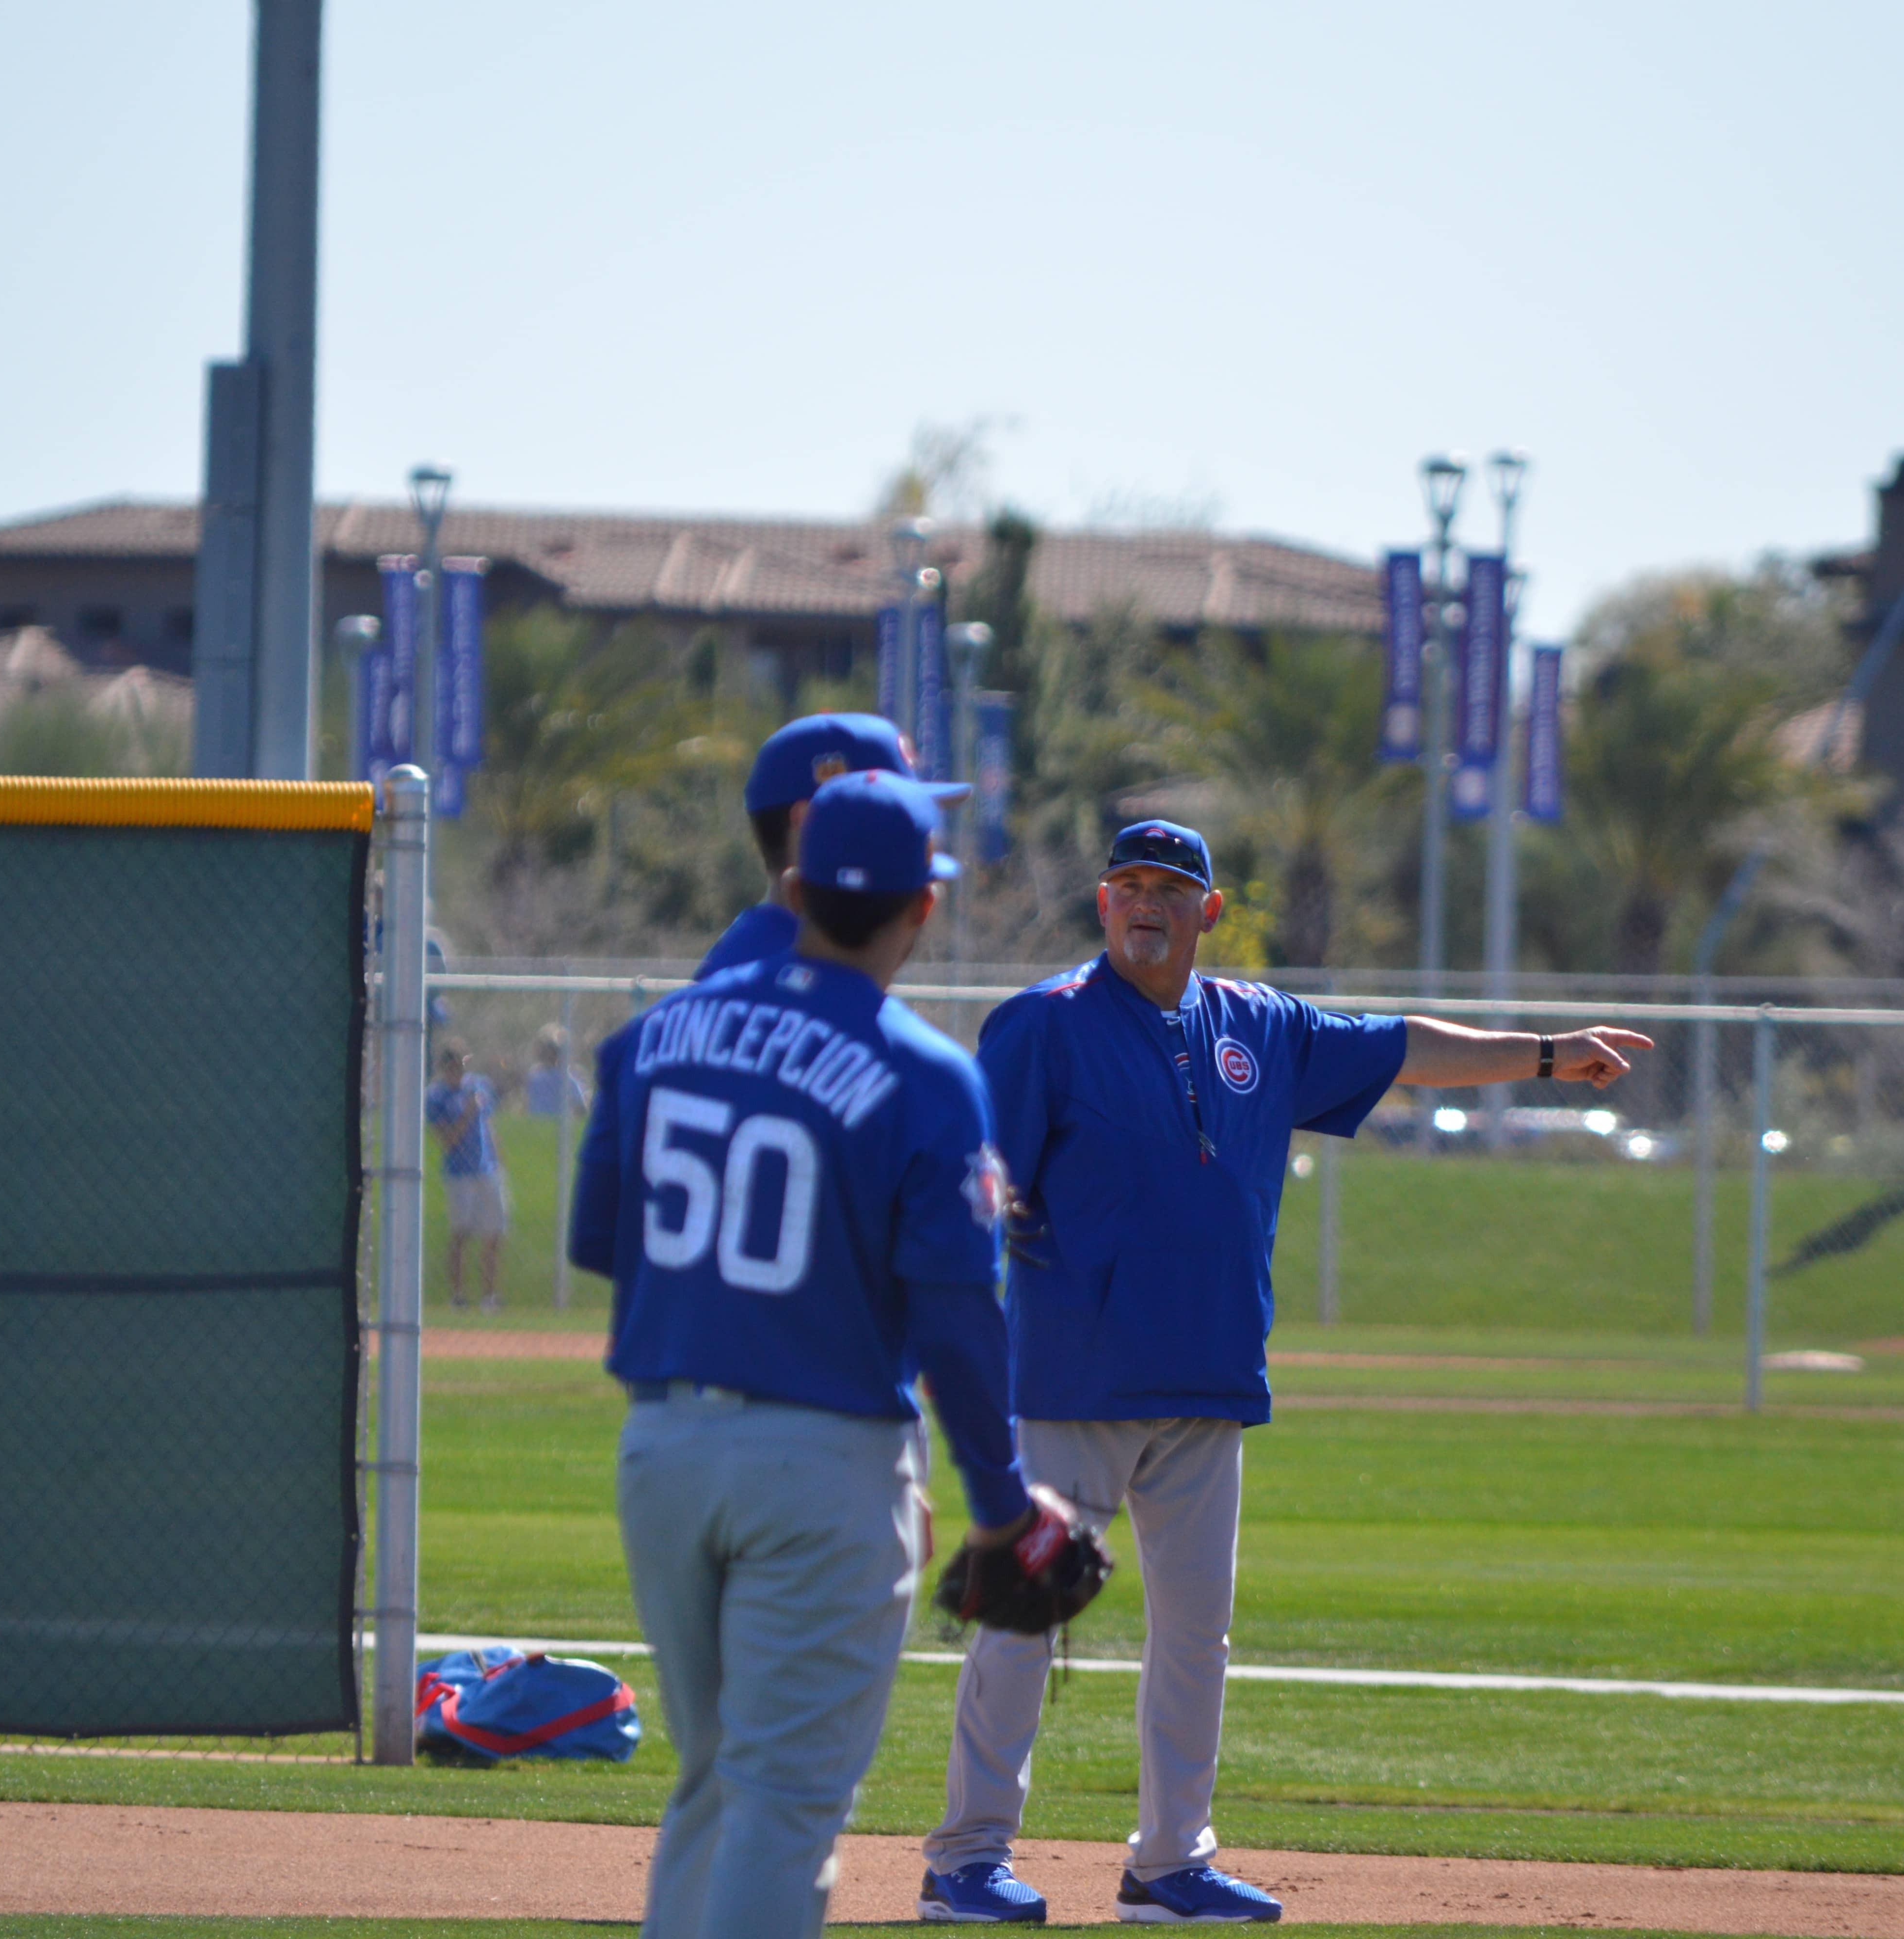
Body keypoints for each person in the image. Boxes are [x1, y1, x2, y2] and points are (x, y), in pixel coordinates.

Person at [918, 818, 1651, 1925]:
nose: (1146, 902)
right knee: (1027, 1615)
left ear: (1208, 911)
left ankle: (1169, 1861)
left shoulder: (1259, 1024)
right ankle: (966, 1857)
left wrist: (1546, 1054)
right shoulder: (1044, 1022)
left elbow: (1400, 1046)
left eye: (1171, 887)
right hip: (1073, 1378)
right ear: (1102, 901)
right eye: (1128, 885)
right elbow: (982, 1189)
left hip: (1209, 1375)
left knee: (1195, 1636)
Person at [572, 769, 1063, 1939]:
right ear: (923, 906)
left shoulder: (654, 1035)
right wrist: (1002, 1504)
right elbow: (955, 1316)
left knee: (715, 1777)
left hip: (662, 1449)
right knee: (785, 1803)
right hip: (821, 1461)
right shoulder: (926, 1073)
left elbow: (597, 1237)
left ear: (792, 889)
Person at [704, 712, 966, 979]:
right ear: (808, 824)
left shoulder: (768, 952)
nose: (912, 838)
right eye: (890, 817)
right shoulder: (790, 972)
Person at [426, 1040, 507, 1311]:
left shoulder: (479, 1086)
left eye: (461, 1066)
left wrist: (499, 1160)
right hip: (460, 1174)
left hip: (487, 1170)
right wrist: (468, 1112)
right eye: (452, 1067)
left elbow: (489, 1126)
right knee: (461, 1235)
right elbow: (447, 1141)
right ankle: (458, 1296)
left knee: (494, 1235)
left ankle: (490, 1298)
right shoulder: (436, 1097)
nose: (458, 1073)